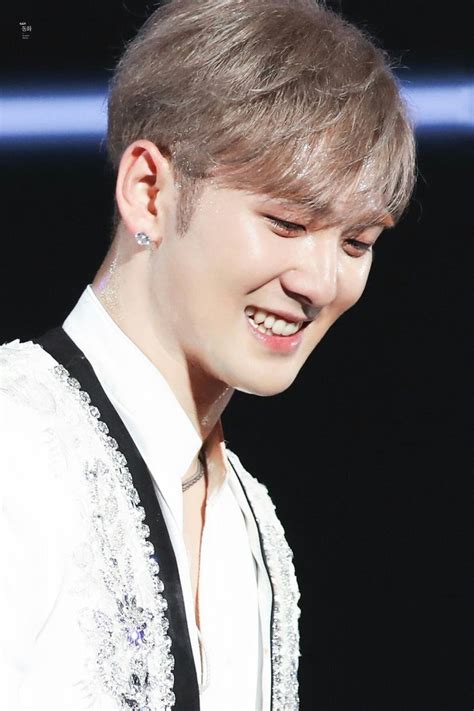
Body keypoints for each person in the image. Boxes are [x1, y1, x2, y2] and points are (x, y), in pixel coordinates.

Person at [0, 0, 415, 709]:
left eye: (356, 243)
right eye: (286, 222)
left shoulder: (252, 521)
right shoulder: (17, 446)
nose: (319, 282)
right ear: (149, 191)